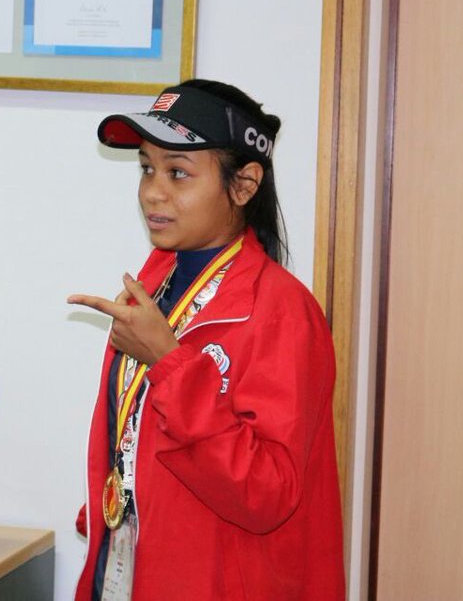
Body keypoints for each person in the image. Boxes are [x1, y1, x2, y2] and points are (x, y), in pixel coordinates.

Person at [68, 79, 345, 600]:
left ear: (243, 185)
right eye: (147, 167)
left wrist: (170, 365)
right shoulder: (154, 283)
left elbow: (268, 493)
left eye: (178, 172)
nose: (153, 190)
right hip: (134, 564)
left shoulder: (282, 311)